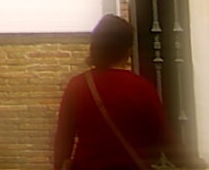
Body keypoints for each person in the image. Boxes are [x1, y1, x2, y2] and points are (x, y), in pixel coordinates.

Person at [51, 14, 171, 170]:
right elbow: (162, 137)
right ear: (127, 50)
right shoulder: (141, 87)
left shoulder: (77, 86)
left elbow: (63, 139)